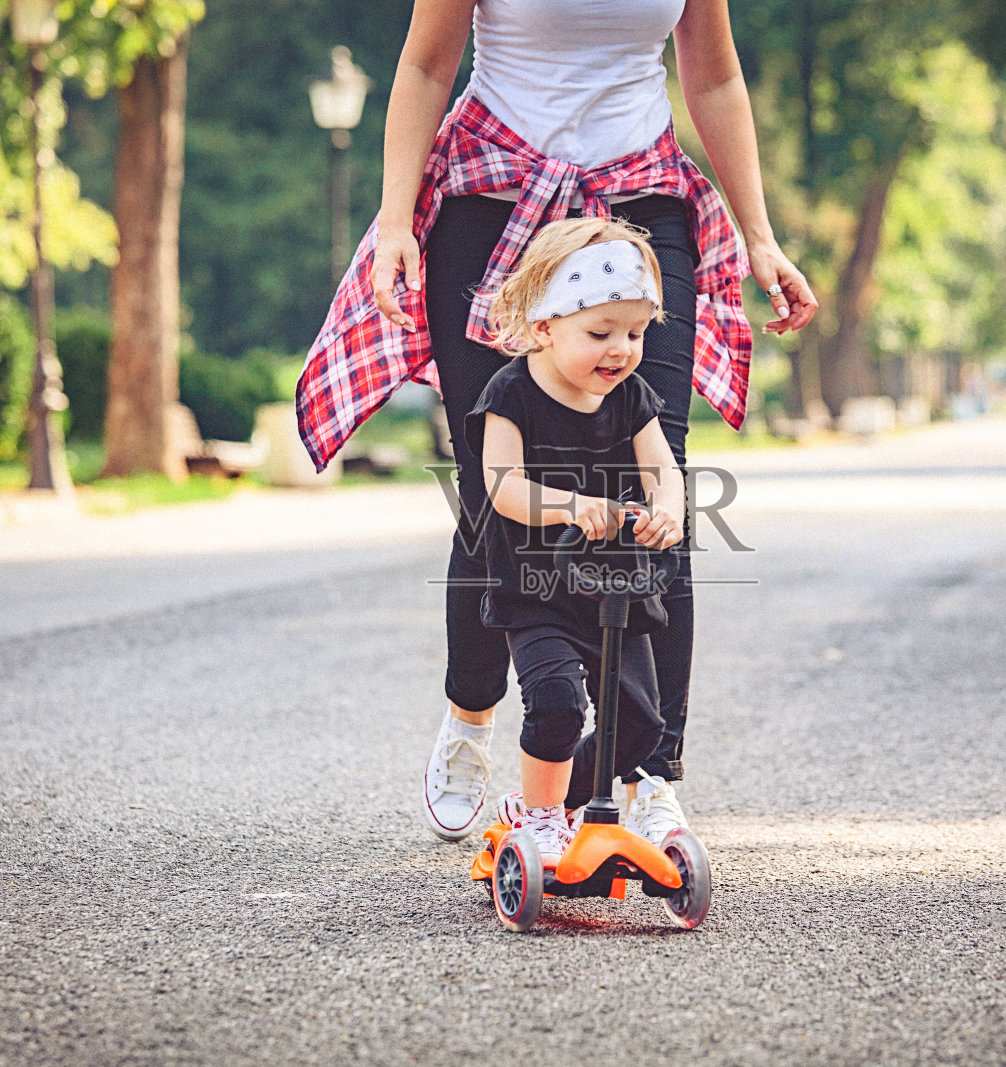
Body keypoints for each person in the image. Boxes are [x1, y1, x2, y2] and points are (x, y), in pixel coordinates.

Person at [294, 0, 818, 845]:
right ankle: (471, 712)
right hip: (494, 196)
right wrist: (398, 222)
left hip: (642, 202)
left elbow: (713, 71)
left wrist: (760, 238)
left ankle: (651, 771)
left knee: (660, 490)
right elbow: (428, 66)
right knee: (489, 480)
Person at [467, 217, 685, 861]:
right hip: (535, 590)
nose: (620, 349)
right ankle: (537, 819)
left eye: (636, 333)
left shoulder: (632, 396)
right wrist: (570, 506)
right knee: (557, 704)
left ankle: (560, 801)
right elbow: (502, 488)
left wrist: (667, 511)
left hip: (615, 589)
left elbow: (663, 471)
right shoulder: (511, 392)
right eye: (600, 333)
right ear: (544, 328)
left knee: (641, 724)